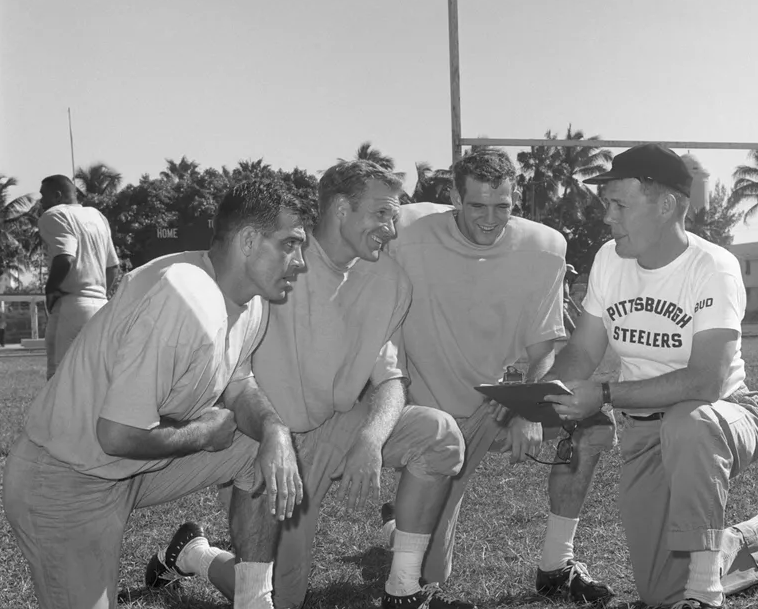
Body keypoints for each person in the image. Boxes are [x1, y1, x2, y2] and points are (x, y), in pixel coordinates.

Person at [146, 161, 472, 609]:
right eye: (381, 214)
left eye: (394, 217)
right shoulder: (273, 260)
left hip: (333, 425)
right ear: (340, 209)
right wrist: (271, 435)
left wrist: (370, 440)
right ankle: (194, 554)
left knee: (439, 435)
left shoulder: (391, 281)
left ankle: (404, 590)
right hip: (266, 442)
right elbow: (229, 372)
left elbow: (391, 379)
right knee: (281, 599)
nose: (391, 229)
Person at [3, 180, 309, 609]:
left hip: (130, 468)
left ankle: (254, 602)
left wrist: (275, 430)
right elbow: (117, 435)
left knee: (259, 446)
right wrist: (204, 433)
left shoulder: (250, 301)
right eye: (290, 244)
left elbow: (239, 381)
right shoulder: (185, 297)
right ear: (249, 240)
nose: (299, 263)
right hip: (67, 477)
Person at [543, 144, 758, 608]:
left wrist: (604, 393)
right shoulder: (609, 259)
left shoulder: (712, 266)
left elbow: (705, 381)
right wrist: (539, 400)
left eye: (619, 204)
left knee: (689, 420)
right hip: (646, 433)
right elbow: (582, 350)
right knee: (661, 594)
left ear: (665, 205)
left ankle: (706, 594)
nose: (608, 217)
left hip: (723, 418)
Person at [381, 148, 615, 605]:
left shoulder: (545, 247)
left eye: (503, 206)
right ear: (453, 197)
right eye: (477, 206)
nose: (490, 219)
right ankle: (401, 522)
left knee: (593, 427)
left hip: (503, 404)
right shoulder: (405, 231)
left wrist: (525, 409)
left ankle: (555, 564)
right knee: (433, 572)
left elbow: (542, 349)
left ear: (516, 198)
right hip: (437, 419)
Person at [37, 175, 120, 379]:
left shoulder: (54, 214)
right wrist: (97, 294)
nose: (41, 202)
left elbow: (65, 257)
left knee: (60, 378)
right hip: (101, 306)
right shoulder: (97, 216)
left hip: (71, 305)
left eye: (43, 196)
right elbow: (113, 267)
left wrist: (51, 290)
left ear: (57, 196)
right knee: (94, 379)